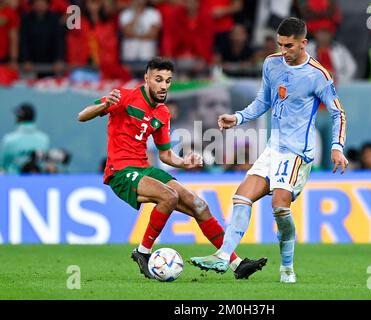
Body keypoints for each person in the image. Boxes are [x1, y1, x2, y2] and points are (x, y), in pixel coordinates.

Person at [77, 57, 267, 280]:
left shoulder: (162, 113)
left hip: (145, 169)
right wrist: (104, 105)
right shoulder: (124, 96)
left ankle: (235, 263)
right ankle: (142, 251)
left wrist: (184, 161)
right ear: (147, 78)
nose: (164, 85)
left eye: (168, 80)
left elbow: (166, 155)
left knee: (199, 205)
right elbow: (82, 116)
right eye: (158, 79)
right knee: (169, 196)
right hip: (120, 171)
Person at [190, 17, 348, 283]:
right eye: (280, 45)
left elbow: (338, 113)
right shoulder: (271, 64)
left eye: (289, 46)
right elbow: (262, 101)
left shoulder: (318, 75)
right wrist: (238, 117)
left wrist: (337, 147)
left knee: (279, 208)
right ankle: (223, 255)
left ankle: (287, 267)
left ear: (303, 43)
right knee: (241, 197)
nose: (283, 51)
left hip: (298, 153)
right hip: (272, 149)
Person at [0, 103, 50, 174]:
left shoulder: (9, 140)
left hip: (13, 182)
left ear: (18, 118)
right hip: (37, 182)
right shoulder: (44, 139)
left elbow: (2, 165)